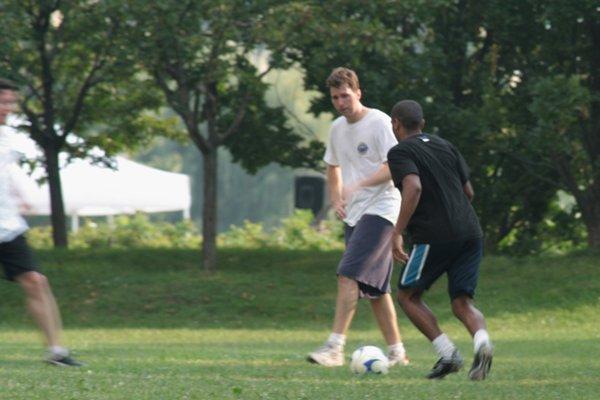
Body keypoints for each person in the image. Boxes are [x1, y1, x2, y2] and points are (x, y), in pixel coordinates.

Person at [347, 99, 493, 380]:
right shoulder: (446, 145)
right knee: (462, 302)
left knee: (408, 296)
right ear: (422, 123)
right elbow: (469, 192)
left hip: (432, 237)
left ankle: (448, 354)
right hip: (471, 233)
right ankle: (482, 343)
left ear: (396, 124)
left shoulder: (399, 152)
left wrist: (397, 231)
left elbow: (413, 186)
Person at [307, 68, 408, 367]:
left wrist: (359, 185)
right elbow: (332, 166)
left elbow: (395, 166)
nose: (341, 102)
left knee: (348, 274)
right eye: (335, 97)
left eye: (346, 95)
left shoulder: (378, 123)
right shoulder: (338, 128)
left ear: (358, 92)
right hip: (355, 214)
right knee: (376, 290)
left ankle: (334, 348)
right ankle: (398, 352)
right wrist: (337, 197)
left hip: (382, 208)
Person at [0, 78, 82, 367]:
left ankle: (57, 352)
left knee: (36, 281)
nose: (7, 108)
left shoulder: (6, 137)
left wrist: (20, 196)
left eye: (10, 102)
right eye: (3, 101)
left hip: (6, 226)